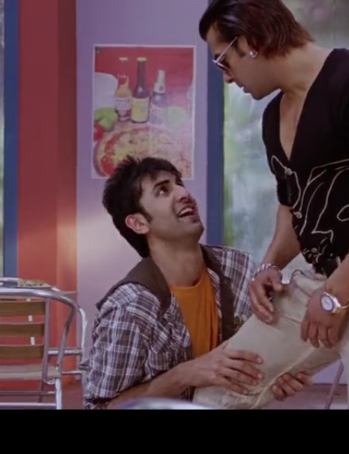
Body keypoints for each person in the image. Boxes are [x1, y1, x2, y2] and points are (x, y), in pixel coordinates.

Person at [192, 0, 349, 409]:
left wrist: (335, 295)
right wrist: (271, 264)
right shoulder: (273, 116)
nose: (226, 77)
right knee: (219, 389)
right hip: (321, 278)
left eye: (222, 60)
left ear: (248, 42)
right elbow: (293, 206)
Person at [81, 156, 311, 409]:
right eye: (163, 191)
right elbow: (101, 407)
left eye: (178, 184)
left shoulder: (237, 268)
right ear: (138, 223)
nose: (183, 193)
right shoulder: (129, 308)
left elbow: (259, 354)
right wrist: (184, 375)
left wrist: (275, 376)